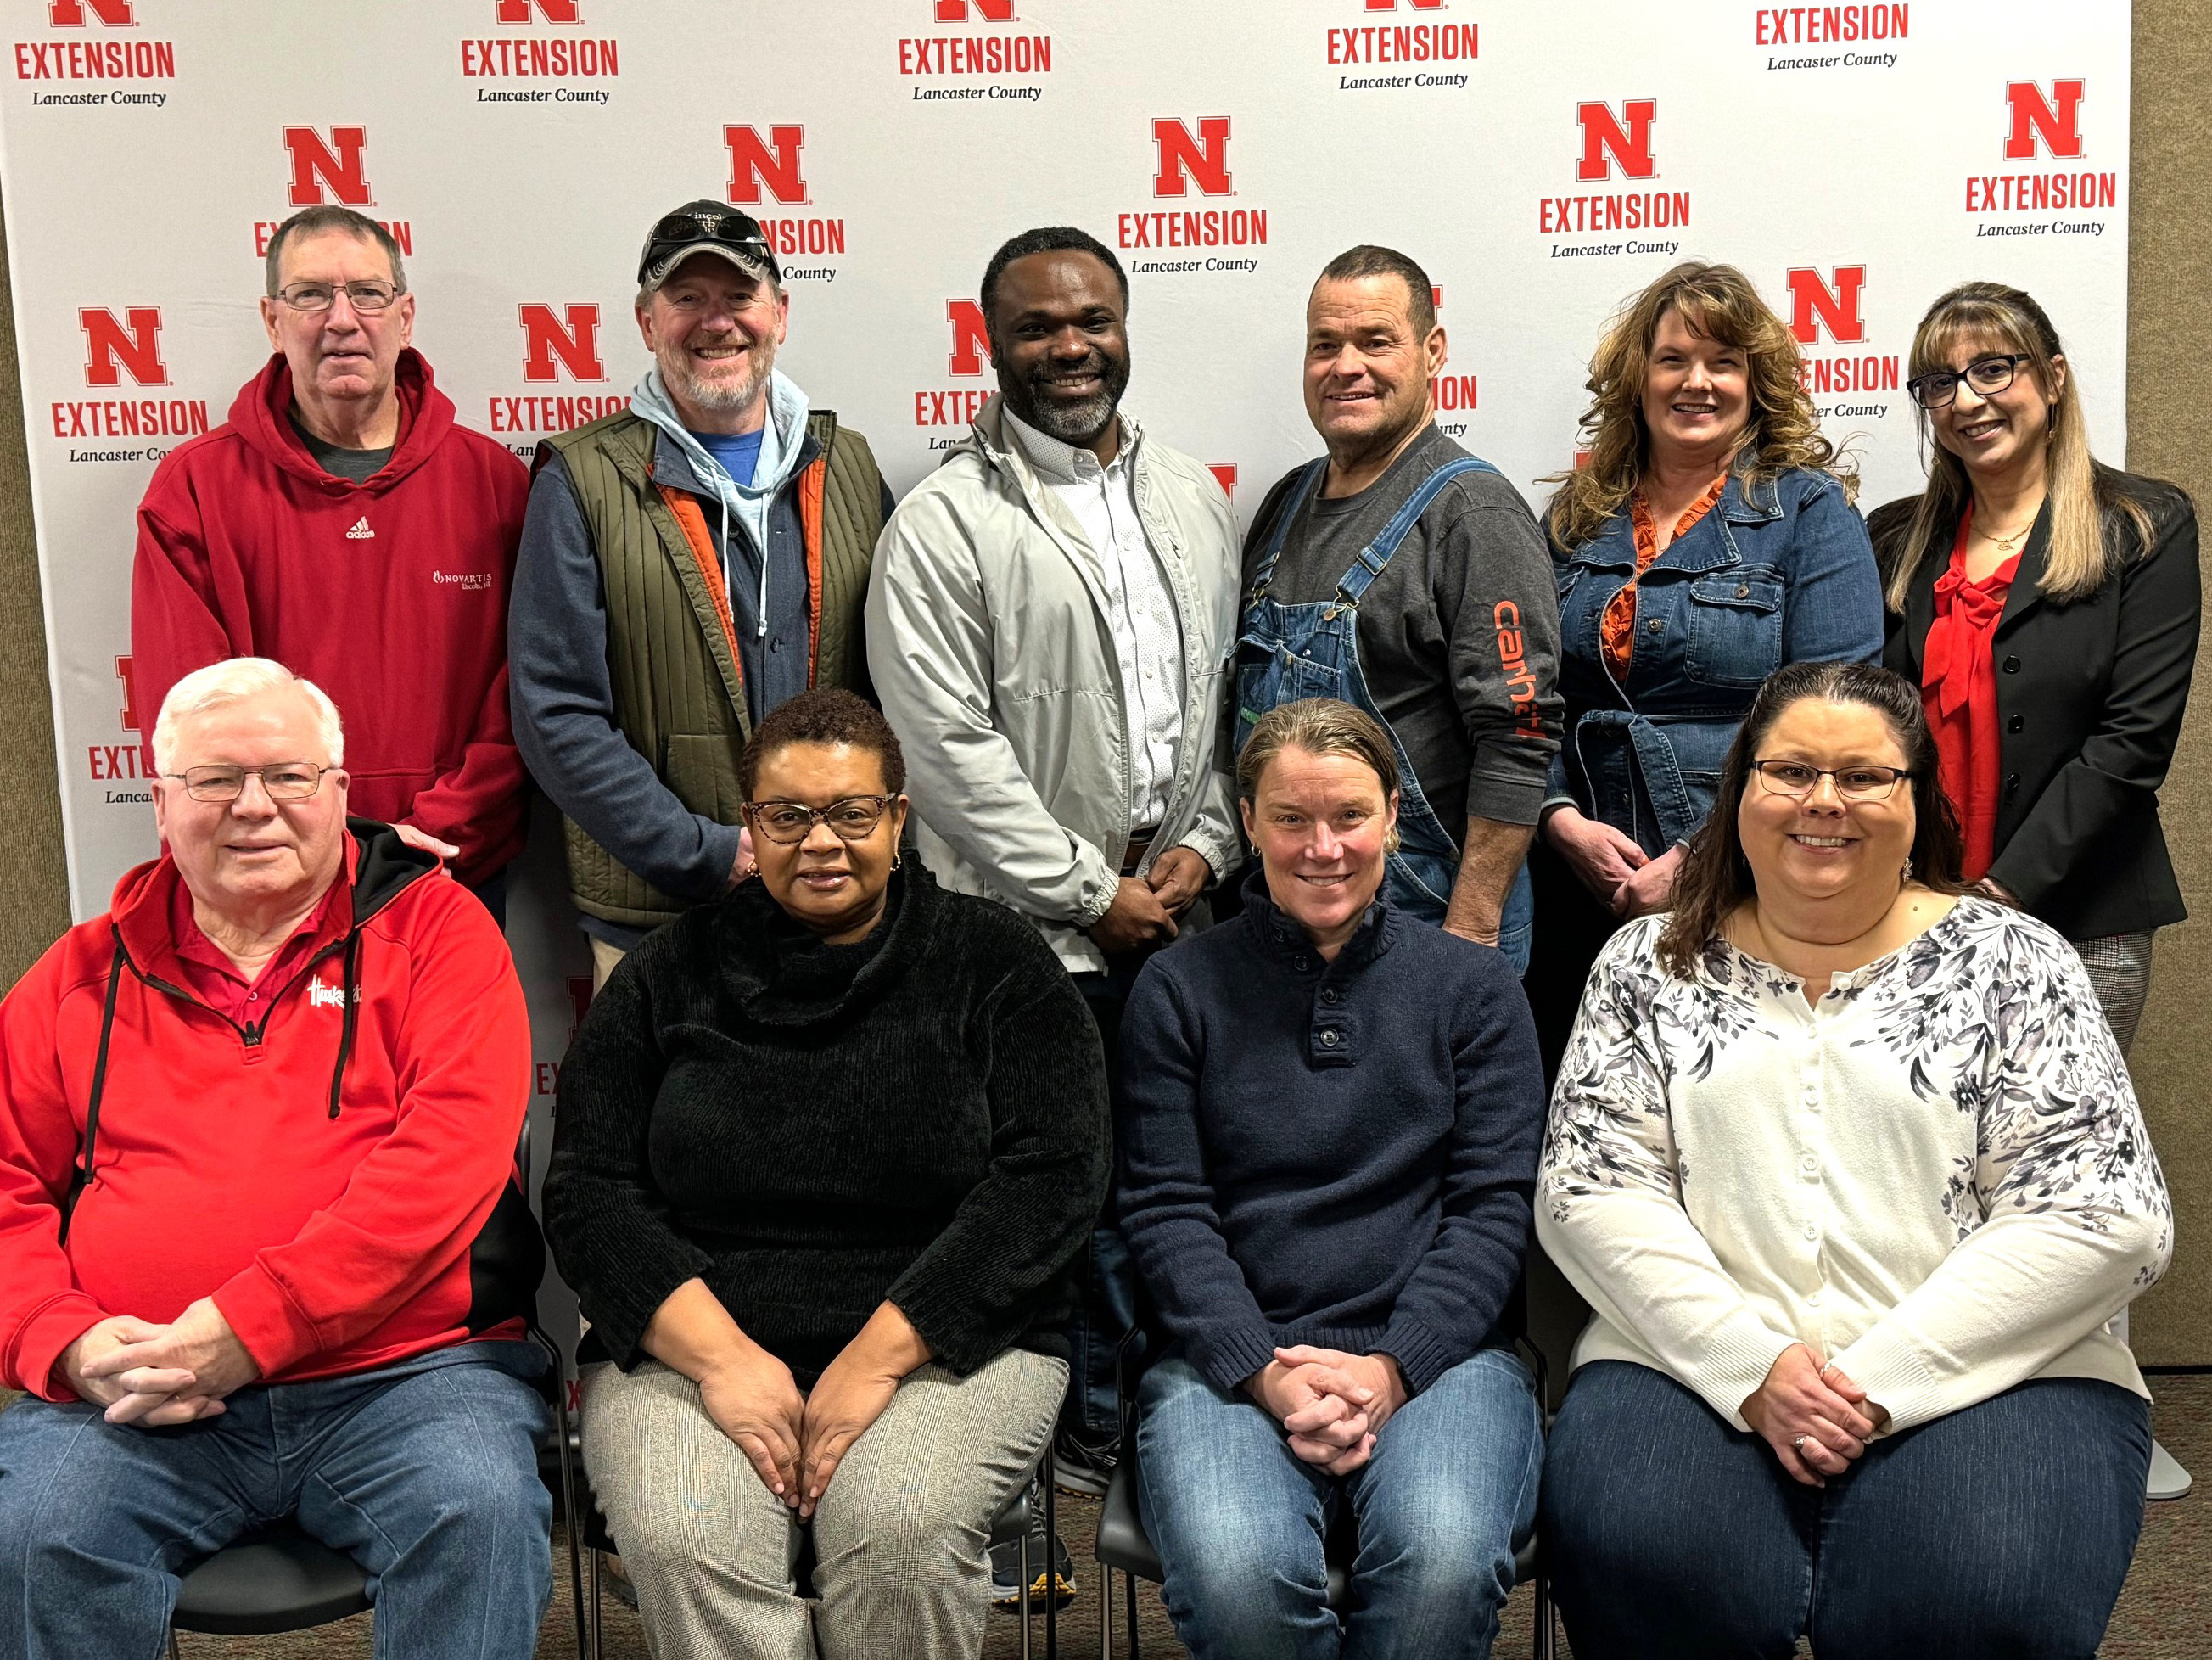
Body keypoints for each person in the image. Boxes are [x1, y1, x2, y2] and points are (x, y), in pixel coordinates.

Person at [1537, 660, 2169, 1660]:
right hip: (1690, 1356)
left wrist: (1878, 1379)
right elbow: (1590, 1191)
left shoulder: (2017, 961)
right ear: (1740, 788)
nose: (1823, 801)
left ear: (1918, 801)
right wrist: (1752, 1367)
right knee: (1653, 1560)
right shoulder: (1647, 964)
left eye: (1865, 776)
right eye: (1789, 770)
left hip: (2001, 1368)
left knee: (1973, 1595)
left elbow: (2102, 1215)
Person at [540, 687, 1109, 1660]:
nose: (821, 843)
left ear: (897, 816)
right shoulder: (664, 974)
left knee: (898, 1534)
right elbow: (590, 1192)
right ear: (750, 825)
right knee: (687, 1537)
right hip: (697, 1342)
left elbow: (1051, 1182)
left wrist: (873, 1359)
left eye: (851, 812)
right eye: (787, 816)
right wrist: (725, 1362)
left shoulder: (997, 961)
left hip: (945, 1342)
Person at [0, 658, 548, 1659]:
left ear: (339, 794)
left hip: (406, 1378)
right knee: (37, 1531)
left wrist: (251, 1326)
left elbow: (446, 1167)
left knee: (477, 1512)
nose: (254, 807)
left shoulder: (437, 933)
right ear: (160, 802)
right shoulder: (75, 979)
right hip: (141, 1392)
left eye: (288, 776)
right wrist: (66, 1343)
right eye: (214, 781)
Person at [866, 227, 1242, 1506]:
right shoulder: (941, 522)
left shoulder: (1190, 492)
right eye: (1036, 326)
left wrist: (1203, 845)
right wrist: (1093, 893)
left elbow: (1225, 702)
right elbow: (945, 747)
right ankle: (1062, 1445)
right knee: (1051, 1203)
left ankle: (1160, 1429)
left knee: (1173, 1188)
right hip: (1029, 939)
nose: (1068, 346)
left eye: (1092, 319)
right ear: (990, 344)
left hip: (1186, 919)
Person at [1120, 697, 1546, 1660]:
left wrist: (1394, 1367)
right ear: (1246, 824)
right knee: (1238, 1578)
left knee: (1439, 1562)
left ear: (1393, 817)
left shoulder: (1472, 990)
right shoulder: (1179, 990)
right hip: (1228, 1361)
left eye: (1350, 816)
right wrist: (1263, 1373)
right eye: (1291, 819)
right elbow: (1166, 1209)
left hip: (1443, 1356)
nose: (1323, 848)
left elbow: (1490, 1210)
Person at [1870, 280, 2202, 1504]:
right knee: (1929, 1170)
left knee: (2070, 1173)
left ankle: (2101, 1410)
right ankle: (1953, 1408)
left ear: (2051, 376)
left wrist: (1998, 898)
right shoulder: (1895, 539)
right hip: (1910, 919)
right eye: (1938, 382)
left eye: (1993, 369)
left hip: (2077, 913)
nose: (1966, 401)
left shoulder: (2141, 526)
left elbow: (2129, 744)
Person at [510, 201, 893, 985]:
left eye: (739, 296)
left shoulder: (849, 465)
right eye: (687, 299)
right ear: (648, 324)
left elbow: (905, 688)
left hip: (841, 907)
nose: (716, 323)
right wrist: (709, 852)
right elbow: (555, 708)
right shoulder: (580, 480)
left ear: (779, 314)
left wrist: (839, 840)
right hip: (659, 923)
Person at [1526, 261, 1884, 1074]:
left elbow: (1835, 717)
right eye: (1672, 359)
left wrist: (1698, 856)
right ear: (1637, 379)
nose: (1698, 382)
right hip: (1578, 884)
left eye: (1724, 362)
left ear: (1756, 383)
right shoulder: (1575, 518)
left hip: (1750, 881)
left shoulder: (1809, 511)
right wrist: (1558, 818)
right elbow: (1527, 693)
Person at [131, 206, 529, 917]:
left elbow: (530, 695)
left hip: (447, 873)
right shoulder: (193, 491)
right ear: (271, 318)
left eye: (368, 294)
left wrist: (433, 831)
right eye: (310, 295)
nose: (341, 319)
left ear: (405, 318)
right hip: (269, 878)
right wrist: (308, 843)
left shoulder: (496, 484)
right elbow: (189, 722)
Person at [1240, 244, 1560, 973]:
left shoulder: (1473, 514)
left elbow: (1519, 737)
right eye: (1326, 344)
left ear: (1432, 350)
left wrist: (1471, 934)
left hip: (1428, 917)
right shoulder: (1284, 505)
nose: (1345, 365)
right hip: (1285, 914)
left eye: (1375, 341)